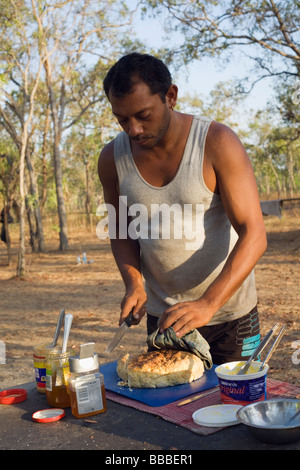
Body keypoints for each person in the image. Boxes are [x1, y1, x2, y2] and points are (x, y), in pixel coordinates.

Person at [98, 52, 267, 364]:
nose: (133, 129)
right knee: (170, 409)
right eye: (122, 119)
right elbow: (121, 230)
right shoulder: (112, 159)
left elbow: (254, 234)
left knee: (237, 407)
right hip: (167, 320)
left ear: (170, 96)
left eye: (143, 115)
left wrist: (208, 303)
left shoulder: (217, 142)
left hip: (230, 316)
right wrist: (133, 283)